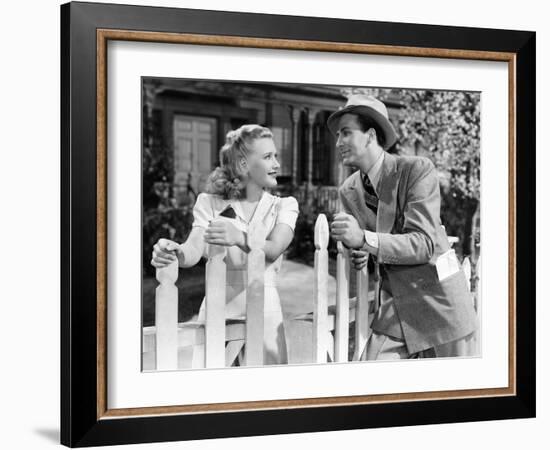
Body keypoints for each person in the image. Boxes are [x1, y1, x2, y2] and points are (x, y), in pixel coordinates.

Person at [328, 94, 478, 360]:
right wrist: (361, 250)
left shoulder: (416, 169)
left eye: (346, 133)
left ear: (370, 135)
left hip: (441, 303)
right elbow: (372, 242)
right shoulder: (348, 189)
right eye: (338, 135)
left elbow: (423, 244)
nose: (338, 142)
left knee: (455, 396)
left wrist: (363, 239)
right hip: (396, 305)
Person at [151, 124, 299, 366]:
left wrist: (240, 236)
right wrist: (174, 252)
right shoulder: (209, 203)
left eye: (276, 156)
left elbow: (274, 249)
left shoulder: (284, 206)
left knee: (263, 392)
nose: (277, 164)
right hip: (218, 309)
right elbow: (193, 250)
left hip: (265, 311)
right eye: (268, 156)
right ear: (243, 165)